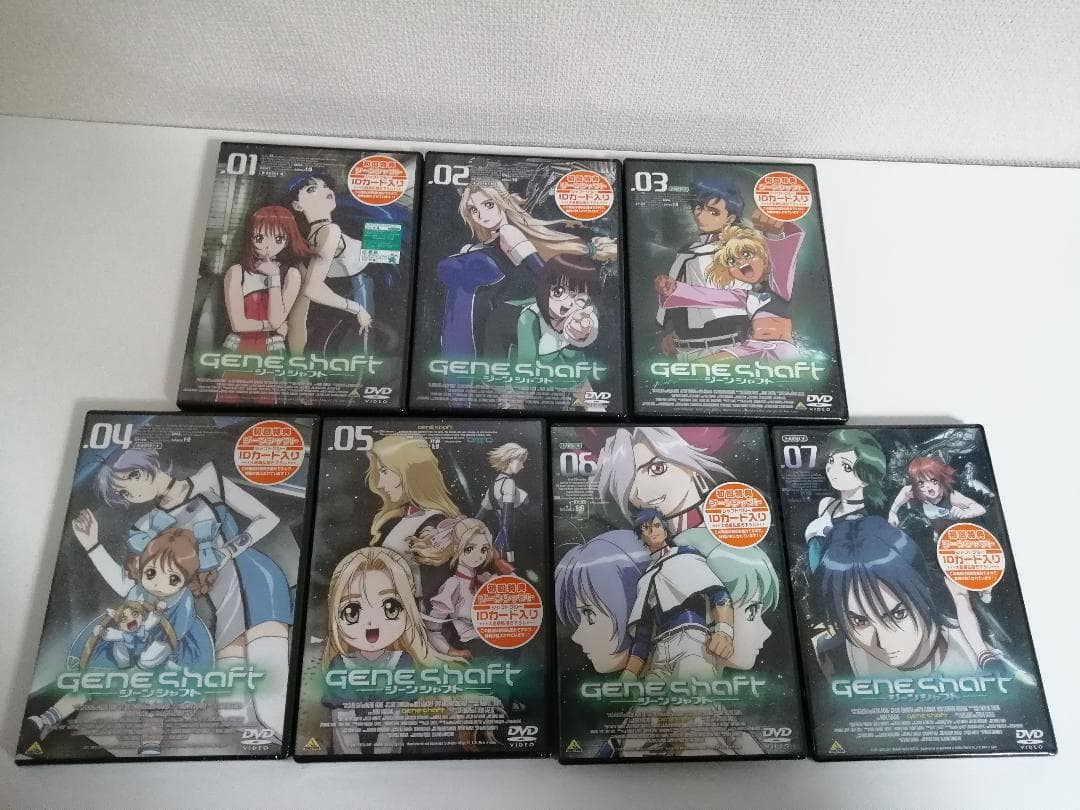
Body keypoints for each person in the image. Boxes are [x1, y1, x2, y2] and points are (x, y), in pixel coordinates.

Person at [87, 448, 292, 740]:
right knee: (235, 713)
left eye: (125, 490)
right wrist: (93, 547)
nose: (129, 499)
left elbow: (266, 518)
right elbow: (129, 585)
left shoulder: (208, 481)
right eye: (122, 495)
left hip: (256, 581)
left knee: (271, 703)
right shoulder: (146, 525)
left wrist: (226, 552)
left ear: (140, 472)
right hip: (223, 604)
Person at [437, 180, 616, 359]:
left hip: (503, 315)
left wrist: (561, 304)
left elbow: (540, 273)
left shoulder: (509, 233)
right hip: (480, 317)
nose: (481, 215)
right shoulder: (482, 244)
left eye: (488, 205)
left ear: (503, 202)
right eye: (473, 210)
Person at [321, 546, 464, 756]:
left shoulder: (402, 662)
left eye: (390, 608)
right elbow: (342, 725)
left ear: (407, 609)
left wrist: (382, 762)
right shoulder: (340, 664)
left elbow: (395, 724)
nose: (371, 624)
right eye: (352, 611)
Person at [654, 180, 802, 360]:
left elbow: (782, 264)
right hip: (688, 350)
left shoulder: (765, 277)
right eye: (698, 207)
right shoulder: (688, 252)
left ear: (730, 218)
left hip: (737, 349)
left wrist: (777, 232)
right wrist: (672, 329)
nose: (701, 215)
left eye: (713, 212)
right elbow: (703, 297)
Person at [812, 516, 978, 677]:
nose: (884, 642)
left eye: (898, 614)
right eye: (859, 621)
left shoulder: (974, 642)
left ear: (925, 589)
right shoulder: (833, 658)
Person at [888, 456, 999, 668]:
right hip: (940, 556)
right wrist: (892, 512)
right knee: (960, 598)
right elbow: (903, 494)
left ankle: (986, 586)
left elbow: (979, 508)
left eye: (933, 481)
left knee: (976, 588)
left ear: (940, 479)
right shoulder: (914, 493)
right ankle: (983, 654)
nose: (928, 488)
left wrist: (965, 512)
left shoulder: (952, 496)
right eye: (921, 483)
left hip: (960, 548)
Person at [623, 509, 734, 681]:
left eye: (657, 525)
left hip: (692, 641)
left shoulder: (685, 555)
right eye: (646, 528)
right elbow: (642, 636)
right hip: (659, 652)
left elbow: (718, 593)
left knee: (693, 694)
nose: (653, 531)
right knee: (649, 698)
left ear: (665, 530)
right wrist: (629, 674)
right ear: (641, 536)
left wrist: (724, 631)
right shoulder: (645, 579)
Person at [216, 205, 307, 404]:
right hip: (237, 351)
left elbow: (276, 319)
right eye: (259, 238)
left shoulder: (290, 275)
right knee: (224, 404)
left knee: (271, 406)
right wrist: (273, 326)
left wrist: (274, 277)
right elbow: (238, 324)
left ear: (288, 240)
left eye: (278, 239)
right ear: (250, 238)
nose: (268, 246)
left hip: (272, 353)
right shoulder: (237, 272)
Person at [284, 172, 374, 354]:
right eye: (312, 189)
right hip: (359, 294)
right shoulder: (330, 231)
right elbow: (312, 290)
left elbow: (299, 312)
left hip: (355, 293)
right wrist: (358, 309)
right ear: (297, 205)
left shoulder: (313, 237)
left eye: (325, 186)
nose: (325, 190)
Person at [366, 433, 461, 598]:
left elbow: (435, 588)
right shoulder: (401, 518)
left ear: (409, 471)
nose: (380, 483)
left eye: (385, 472)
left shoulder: (434, 521)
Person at [593, 426, 731, 534]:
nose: (640, 494)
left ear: (690, 465)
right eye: (630, 484)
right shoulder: (649, 539)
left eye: (657, 468)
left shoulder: (727, 517)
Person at [804, 429, 887, 572]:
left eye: (846, 467)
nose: (832, 470)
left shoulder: (862, 522)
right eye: (831, 460)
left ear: (865, 479)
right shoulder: (826, 504)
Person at [476, 442, 529, 573]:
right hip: (511, 542)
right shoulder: (509, 483)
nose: (522, 466)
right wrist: (510, 553)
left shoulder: (492, 488)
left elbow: (476, 520)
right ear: (510, 460)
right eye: (521, 461)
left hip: (500, 542)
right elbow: (506, 523)